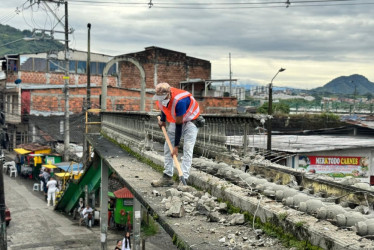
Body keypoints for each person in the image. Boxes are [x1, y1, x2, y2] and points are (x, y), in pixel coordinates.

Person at [151, 82, 201, 187]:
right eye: (159, 97)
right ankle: (167, 177)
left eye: (163, 97)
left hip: (191, 120)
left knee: (188, 148)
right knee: (167, 147)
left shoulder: (180, 102)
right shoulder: (161, 97)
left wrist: (176, 147)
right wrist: (163, 120)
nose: (160, 99)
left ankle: (183, 179)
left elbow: (179, 125)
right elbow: (164, 108)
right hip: (177, 119)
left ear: (169, 94)